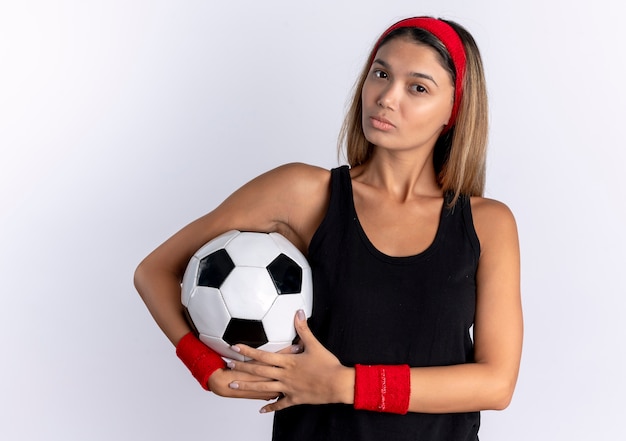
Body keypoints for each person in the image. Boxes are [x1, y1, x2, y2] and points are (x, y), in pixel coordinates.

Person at [134, 16, 523, 441]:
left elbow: (496, 384)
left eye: (418, 87)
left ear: (454, 108)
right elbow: (154, 271)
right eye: (381, 73)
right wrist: (205, 367)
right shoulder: (303, 193)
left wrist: (343, 384)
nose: (387, 97)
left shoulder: (487, 223)